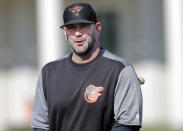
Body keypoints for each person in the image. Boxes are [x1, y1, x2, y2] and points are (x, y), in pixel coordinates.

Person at [31, 2, 143, 131]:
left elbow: (127, 125)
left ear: (97, 28)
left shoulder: (120, 69)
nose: (78, 33)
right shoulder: (49, 72)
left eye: (83, 26)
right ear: (64, 32)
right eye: (72, 28)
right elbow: (41, 126)